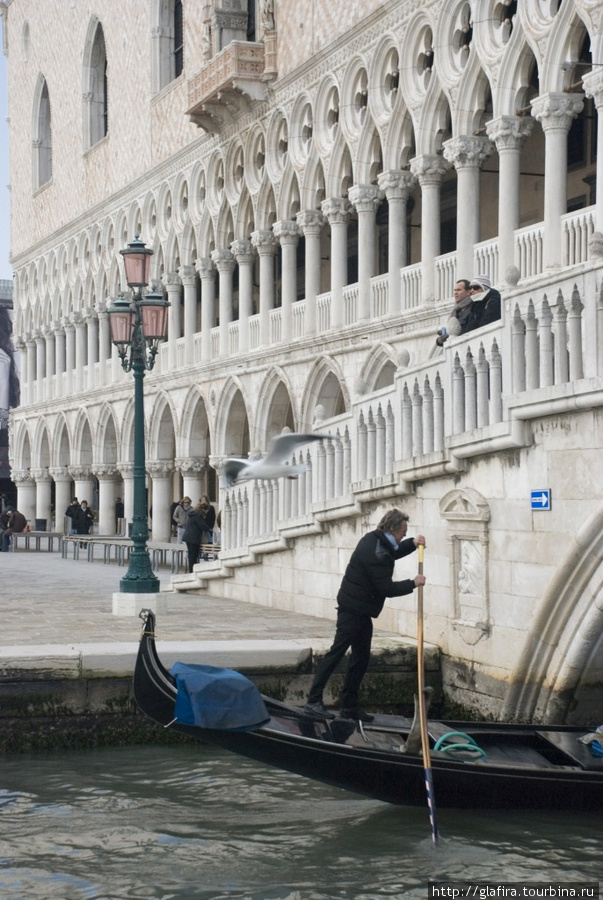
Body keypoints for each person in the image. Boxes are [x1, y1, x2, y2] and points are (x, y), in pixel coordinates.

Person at [304, 508, 426, 722]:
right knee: (337, 653)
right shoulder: (377, 552)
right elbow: (385, 588)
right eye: (404, 532)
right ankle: (313, 701)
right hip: (352, 610)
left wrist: (413, 544)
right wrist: (412, 583)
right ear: (392, 529)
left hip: (361, 609)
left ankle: (349, 706)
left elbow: (394, 550)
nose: (405, 535)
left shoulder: (376, 539)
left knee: (361, 658)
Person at [182, 501, 212, 573]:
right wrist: (210, 530)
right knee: (193, 556)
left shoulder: (193, 514)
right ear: (204, 510)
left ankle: (192, 570)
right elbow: (203, 526)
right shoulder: (198, 516)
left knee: (191, 555)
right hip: (193, 538)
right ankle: (192, 571)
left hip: (188, 537)